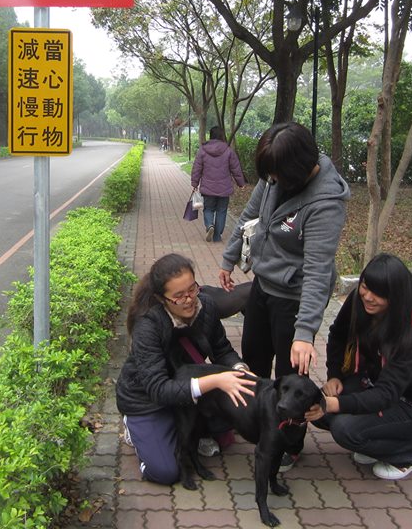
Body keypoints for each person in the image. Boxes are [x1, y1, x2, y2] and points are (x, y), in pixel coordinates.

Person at [218, 122, 349, 380]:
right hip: (263, 284)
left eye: (276, 176)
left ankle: (289, 421)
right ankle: (256, 417)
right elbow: (248, 216)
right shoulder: (275, 174)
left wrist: (304, 332)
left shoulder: (325, 205)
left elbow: (317, 271)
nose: (272, 181)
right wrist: (228, 258)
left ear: (295, 170)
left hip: (293, 297)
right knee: (254, 358)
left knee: (290, 376)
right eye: (270, 176)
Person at [116, 253, 256, 485]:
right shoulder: (148, 326)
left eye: (192, 289)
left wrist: (240, 368)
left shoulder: (206, 306)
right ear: (162, 299)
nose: (189, 300)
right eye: (179, 296)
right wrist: (217, 381)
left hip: (189, 386)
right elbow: (158, 389)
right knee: (166, 472)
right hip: (147, 400)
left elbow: (222, 349)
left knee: (236, 418)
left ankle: (187, 428)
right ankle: (137, 430)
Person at [304, 253, 412, 480]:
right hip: (372, 383)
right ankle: (374, 442)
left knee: (343, 428)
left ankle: (410, 453)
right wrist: (334, 375)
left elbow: (387, 394)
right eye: (365, 287)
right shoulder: (358, 301)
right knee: (317, 409)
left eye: (378, 293)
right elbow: (338, 335)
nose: (368, 297)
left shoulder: (410, 331)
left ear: (396, 296)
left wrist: (333, 403)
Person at [191, 126, 247, 243]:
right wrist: (241, 183)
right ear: (222, 136)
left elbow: (197, 168)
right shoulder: (228, 150)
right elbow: (236, 168)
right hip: (224, 188)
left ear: (210, 136)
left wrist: (195, 183)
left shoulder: (203, 150)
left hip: (208, 188)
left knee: (208, 209)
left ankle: (209, 225)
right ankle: (217, 236)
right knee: (222, 211)